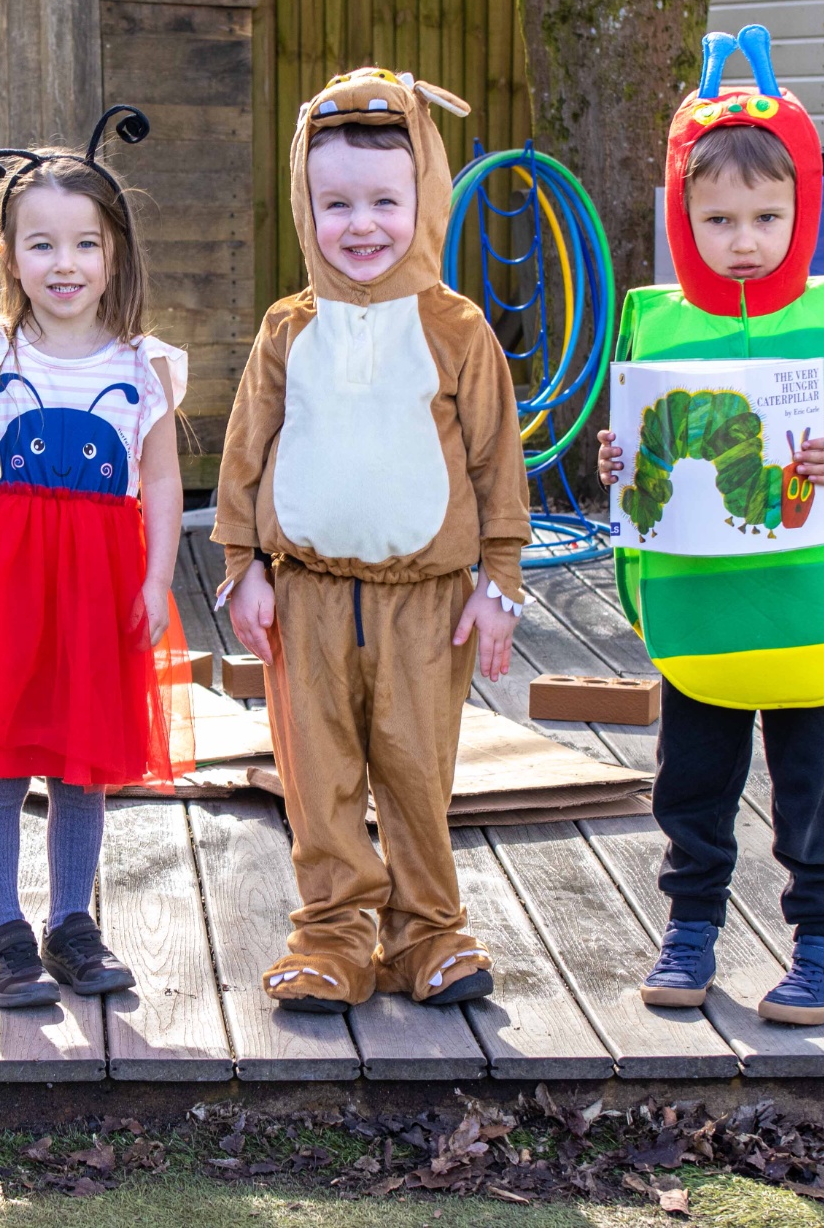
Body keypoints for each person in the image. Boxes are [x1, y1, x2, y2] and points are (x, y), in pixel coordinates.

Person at [597, 26, 824, 1026]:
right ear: (683, 214)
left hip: (816, 608)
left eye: (766, 215)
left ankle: (820, 941)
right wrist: (616, 461)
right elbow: (631, 462)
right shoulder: (654, 320)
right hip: (705, 608)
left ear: (800, 208)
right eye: (719, 215)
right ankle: (689, 926)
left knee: (814, 791)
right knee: (690, 781)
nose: (743, 238)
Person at [214, 68, 531, 1015]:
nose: (363, 225)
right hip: (305, 596)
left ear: (424, 198)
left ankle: (428, 931)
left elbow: (496, 467)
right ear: (307, 208)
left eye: (386, 201)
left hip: (427, 603)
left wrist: (499, 580)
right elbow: (244, 453)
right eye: (337, 203)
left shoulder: (458, 330)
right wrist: (242, 569)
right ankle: (333, 935)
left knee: (416, 768)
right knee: (317, 777)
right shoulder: (286, 329)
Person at [0, 107, 195, 1010]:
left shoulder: (145, 365)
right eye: (42, 244)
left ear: (115, 254)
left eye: (85, 244)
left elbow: (164, 481)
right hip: (5, 579)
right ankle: (2, 935)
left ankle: (69, 923)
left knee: (82, 759)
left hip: (99, 583)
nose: (65, 265)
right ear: (11, 256)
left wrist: (158, 574)